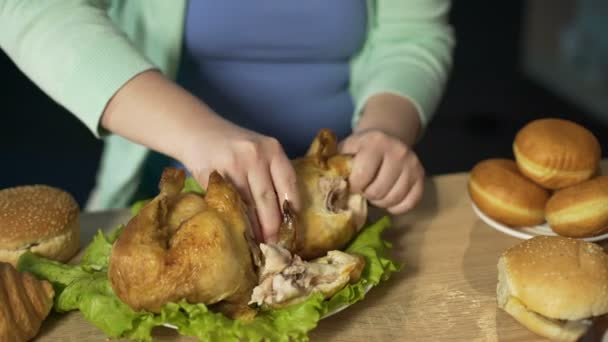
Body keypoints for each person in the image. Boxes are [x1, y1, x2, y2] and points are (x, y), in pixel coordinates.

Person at [0, 1, 454, 243]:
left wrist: (385, 131)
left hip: (346, 195)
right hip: (167, 182)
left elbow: (411, 35)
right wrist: (198, 134)